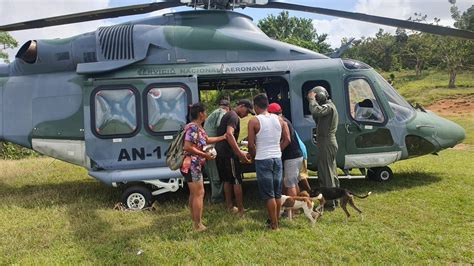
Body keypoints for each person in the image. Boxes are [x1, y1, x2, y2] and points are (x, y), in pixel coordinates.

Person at [247, 94, 290, 230]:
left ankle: (274, 224)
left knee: (268, 194)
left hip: (263, 159)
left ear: (256, 106)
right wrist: (278, 150)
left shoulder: (254, 121)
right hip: (277, 158)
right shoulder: (279, 119)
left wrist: (254, 156)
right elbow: (287, 139)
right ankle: (275, 220)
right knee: (277, 193)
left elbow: (250, 144)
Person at [181, 103, 226, 232]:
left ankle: (195, 221)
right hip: (192, 165)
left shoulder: (198, 128)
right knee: (199, 194)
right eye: (205, 112)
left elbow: (206, 140)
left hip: (192, 165)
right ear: (201, 114)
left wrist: (222, 137)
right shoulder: (193, 128)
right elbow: (187, 147)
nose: (206, 114)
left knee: (194, 193)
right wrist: (205, 155)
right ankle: (198, 225)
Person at [215, 99, 255, 216]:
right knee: (236, 179)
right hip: (228, 153)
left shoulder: (228, 114)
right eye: (247, 111)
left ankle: (229, 206)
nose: (246, 114)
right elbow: (229, 134)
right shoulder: (234, 117)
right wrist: (239, 153)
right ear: (241, 106)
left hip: (220, 151)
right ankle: (241, 209)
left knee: (227, 180)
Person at [267, 102, 303, 218]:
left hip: (291, 156)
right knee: (294, 182)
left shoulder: (281, 121)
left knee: (290, 184)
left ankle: (292, 211)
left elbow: (286, 140)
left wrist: (278, 152)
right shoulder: (284, 120)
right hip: (297, 155)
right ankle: (297, 207)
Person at [307, 86, 339, 209]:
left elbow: (316, 111)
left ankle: (330, 202)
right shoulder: (328, 107)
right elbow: (317, 116)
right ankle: (335, 198)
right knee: (329, 171)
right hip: (326, 142)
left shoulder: (328, 107)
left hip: (327, 142)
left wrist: (311, 100)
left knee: (327, 173)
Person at [203, 99, 230, 204]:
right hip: (211, 147)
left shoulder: (213, 113)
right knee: (215, 175)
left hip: (207, 147)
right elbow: (221, 124)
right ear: (227, 108)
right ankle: (217, 199)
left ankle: (215, 197)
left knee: (212, 174)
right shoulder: (221, 112)